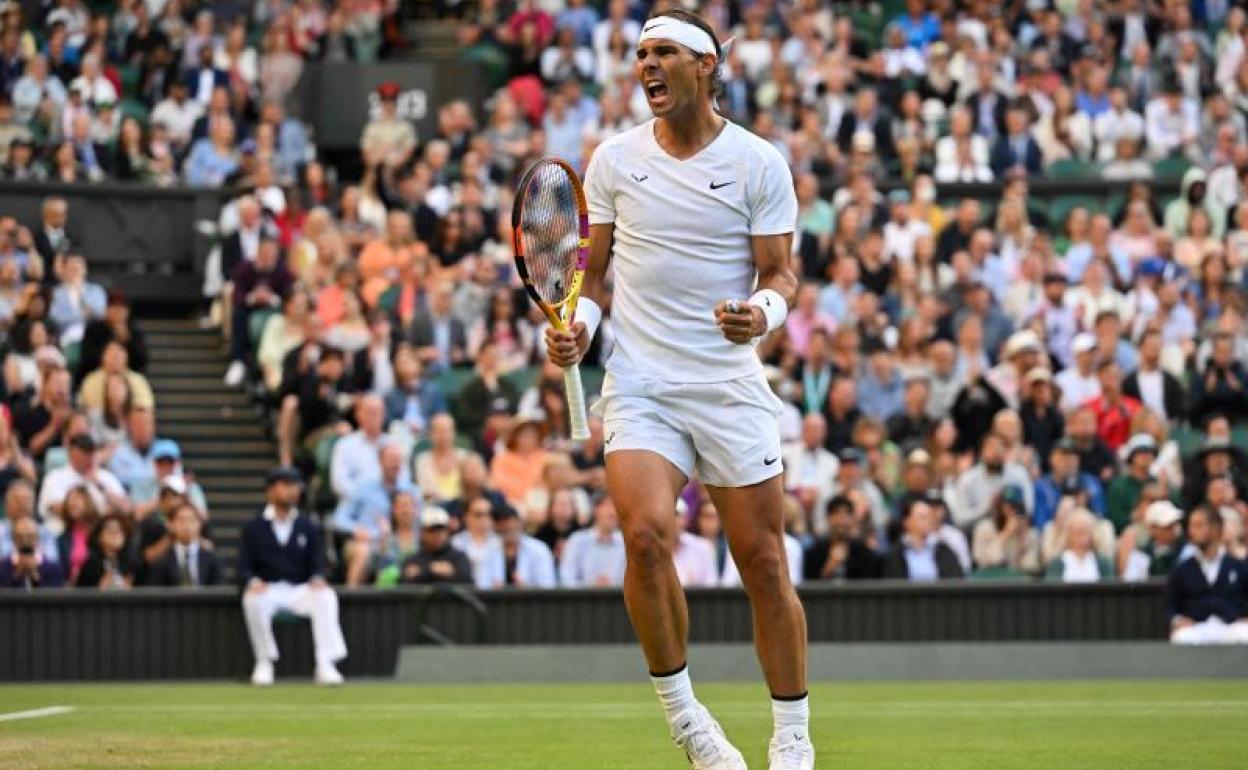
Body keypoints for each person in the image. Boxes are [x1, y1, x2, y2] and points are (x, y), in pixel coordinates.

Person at [543, 11, 811, 767]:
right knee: (645, 537)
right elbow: (591, 281)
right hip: (642, 385)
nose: (647, 66)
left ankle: (792, 737)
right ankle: (689, 722)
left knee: (762, 562)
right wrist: (582, 329)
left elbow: (779, 275)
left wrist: (758, 314)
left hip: (727, 383)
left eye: (664, 53)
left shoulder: (759, 162)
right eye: (640, 55)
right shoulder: (613, 160)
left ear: (707, 66)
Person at [238, 467, 347, 686]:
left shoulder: (307, 526)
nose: (291, 491)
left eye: (294, 485)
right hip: (267, 590)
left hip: (299, 590)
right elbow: (243, 566)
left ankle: (325, 662)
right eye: (285, 485)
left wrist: (317, 576)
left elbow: (317, 561)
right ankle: (264, 661)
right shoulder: (254, 527)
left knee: (326, 596)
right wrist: (253, 581)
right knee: (251, 600)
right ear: (270, 491)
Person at [1166, 506, 1248, 644]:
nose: (1192, 531)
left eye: (1198, 526)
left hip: (1231, 627)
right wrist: (1177, 619)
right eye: (1191, 526)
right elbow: (1170, 604)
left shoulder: (1238, 566)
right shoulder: (1182, 569)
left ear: (1215, 528)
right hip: (1197, 628)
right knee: (1181, 638)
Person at [883, 496, 965, 580]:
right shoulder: (896, 553)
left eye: (929, 517)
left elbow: (957, 578)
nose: (927, 521)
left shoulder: (943, 549)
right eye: (922, 517)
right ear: (907, 521)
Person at [145, 501, 223, 587]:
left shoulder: (213, 560)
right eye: (181, 520)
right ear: (171, 524)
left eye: (191, 520)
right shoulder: (161, 562)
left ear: (200, 524)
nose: (187, 525)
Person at [478, 504, 557, 588]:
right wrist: (493, 590)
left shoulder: (539, 550)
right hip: (494, 600)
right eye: (500, 524)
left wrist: (526, 589)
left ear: (519, 523)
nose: (505, 527)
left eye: (509, 526)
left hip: (532, 600)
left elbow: (547, 586)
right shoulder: (489, 549)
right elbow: (482, 584)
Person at [559, 493, 627, 587]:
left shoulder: (626, 543)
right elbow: (567, 578)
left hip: (618, 599)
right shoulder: (577, 541)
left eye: (618, 507)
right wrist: (590, 588)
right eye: (609, 506)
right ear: (596, 509)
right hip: (582, 600)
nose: (613, 512)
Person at [398, 506, 474, 584]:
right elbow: (402, 585)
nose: (438, 534)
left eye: (441, 529)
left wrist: (421, 571)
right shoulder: (413, 559)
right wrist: (432, 569)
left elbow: (468, 583)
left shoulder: (459, 558)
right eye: (432, 530)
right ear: (422, 533)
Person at [1044, 508, 1113, 583]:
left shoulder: (1103, 563)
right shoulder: (1057, 563)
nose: (1082, 537)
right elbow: (1050, 590)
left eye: (1086, 531)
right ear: (1069, 534)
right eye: (1078, 531)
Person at [0, 517, 65, 589]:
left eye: (30, 536)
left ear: (37, 538)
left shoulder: (52, 568)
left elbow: (56, 596)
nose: (25, 541)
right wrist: (17, 574)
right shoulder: (3, 567)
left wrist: (35, 576)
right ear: (13, 539)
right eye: (20, 537)